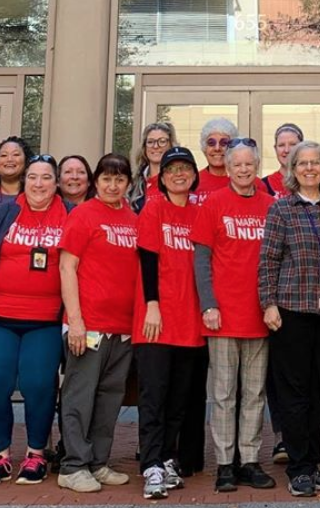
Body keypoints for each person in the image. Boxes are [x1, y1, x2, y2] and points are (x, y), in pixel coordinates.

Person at [0, 154, 71, 486]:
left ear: (57, 183)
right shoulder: (3, 214)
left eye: (46, 177)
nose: (39, 184)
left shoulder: (70, 216)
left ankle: (36, 454)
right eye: (33, 177)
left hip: (46, 321)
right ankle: (1, 457)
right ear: (24, 181)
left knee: (39, 387)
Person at [260, 140, 320, 497]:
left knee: (318, 392)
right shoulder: (281, 210)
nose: (309, 169)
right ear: (292, 171)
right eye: (302, 164)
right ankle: (299, 467)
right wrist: (268, 304)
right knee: (294, 393)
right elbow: (268, 260)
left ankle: (314, 459)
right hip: (292, 310)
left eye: (315, 163)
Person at [192, 138, 277, 494]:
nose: (243, 169)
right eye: (237, 164)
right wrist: (208, 304)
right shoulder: (213, 204)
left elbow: (275, 259)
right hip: (223, 314)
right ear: (228, 169)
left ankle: (250, 460)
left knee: (254, 393)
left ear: (257, 167)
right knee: (225, 394)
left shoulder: (271, 206)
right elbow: (200, 259)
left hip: (258, 314)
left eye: (249, 164)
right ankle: (225, 464)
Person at [57, 153, 137, 493]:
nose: (113, 185)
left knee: (109, 399)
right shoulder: (84, 215)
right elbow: (66, 268)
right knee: (79, 397)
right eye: (106, 178)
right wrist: (75, 321)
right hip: (87, 326)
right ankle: (73, 465)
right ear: (96, 182)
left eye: (119, 179)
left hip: (123, 329)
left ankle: (97, 462)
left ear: (128, 184)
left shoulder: (133, 218)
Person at [134, 146, 205, 499]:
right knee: (154, 396)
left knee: (180, 399)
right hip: (156, 321)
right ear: (161, 178)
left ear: (194, 177)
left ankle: (167, 459)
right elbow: (148, 260)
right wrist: (152, 305)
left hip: (190, 321)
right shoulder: (154, 209)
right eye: (172, 170)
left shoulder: (200, 213)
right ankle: (150, 465)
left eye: (185, 170)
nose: (179, 175)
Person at [130, 122, 177, 211]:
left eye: (162, 141)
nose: (155, 146)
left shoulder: (179, 180)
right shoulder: (135, 181)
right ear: (144, 147)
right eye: (150, 142)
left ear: (171, 145)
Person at [196, 118, 238, 199]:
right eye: (211, 143)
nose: (217, 148)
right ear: (204, 148)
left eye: (224, 143)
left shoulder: (249, 183)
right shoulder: (192, 182)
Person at [263, 123, 303, 198]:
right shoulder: (262, 185)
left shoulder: (312, 182)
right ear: (275, 149)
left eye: (292, 144)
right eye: (281, 145)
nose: (287, 150)